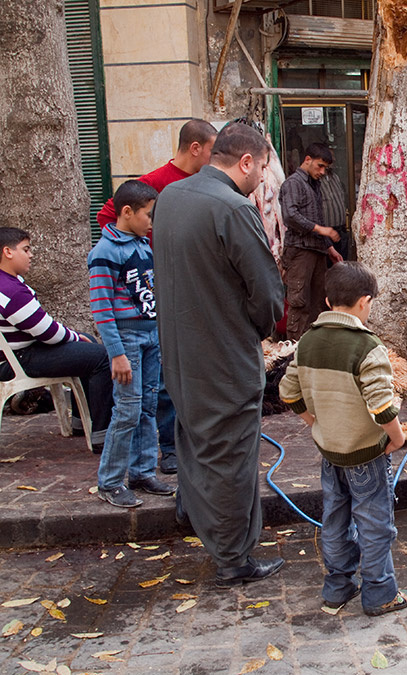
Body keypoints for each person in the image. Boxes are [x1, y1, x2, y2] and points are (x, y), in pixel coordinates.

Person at [153, 123, 285, 588]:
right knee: (231, 457)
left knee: (194, 441)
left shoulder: (170, 197)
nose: (263, 178)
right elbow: (267, 295)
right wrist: (259, 329)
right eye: (264, 167)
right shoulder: (232, 207)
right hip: (223, 357)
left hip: (180, 352)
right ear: (245, 162)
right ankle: (233, 558)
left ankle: (195, 515)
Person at [279, 261, 407, 617]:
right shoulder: (367, 346)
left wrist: (314, 422)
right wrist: (398, 438)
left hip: (330, 452)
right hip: (366, 455)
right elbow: (382, 406)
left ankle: (337, 588)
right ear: (364, 303)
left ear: (326, 300)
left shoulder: (307, 342)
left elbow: (288, 392)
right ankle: (381, 593)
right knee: (375, 524)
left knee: (335, 520)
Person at [97, 118, 218, 476]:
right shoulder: (153, 184)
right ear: (195, 148)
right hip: (145, 306)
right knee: (144, 395)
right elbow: (109, 219)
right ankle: (142, 461)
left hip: (180, 295)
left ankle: (159, 457)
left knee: (166, 382)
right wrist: (131, 263)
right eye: (211, 151)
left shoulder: (205, 184)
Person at [89, 181, 174, 508]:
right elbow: (101, 309)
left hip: (150, 336)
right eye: (148, 215)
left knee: (147, 406)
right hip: (127, 340)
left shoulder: (142, 245)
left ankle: (141, 472)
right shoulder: (105, 253)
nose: (152, 222)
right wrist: (117, 354)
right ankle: (110, 481)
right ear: (127, 212)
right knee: (127, 410)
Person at [0, 227, 113, 450]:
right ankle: (102, 434)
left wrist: (78, 338)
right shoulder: (11, 290)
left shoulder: (8, 284)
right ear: (8, 252)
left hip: (13, 355)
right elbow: (48, 333)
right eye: (26, 249)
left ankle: (81, 422)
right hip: (18, 360)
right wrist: (75, 337)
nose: (31, 255)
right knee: (100, 356)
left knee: (86, 341)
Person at [280, 142, 343, 340]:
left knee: (318, 303)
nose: (323, 172)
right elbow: (290, 215)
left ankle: (314, 348)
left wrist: (329, 247)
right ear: (307, 160)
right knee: (299, 302)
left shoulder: (314, 185)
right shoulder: (293, 183)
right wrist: (320, 230)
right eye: (320, 166)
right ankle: (293, 352)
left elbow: (318, 218)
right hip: (299, 251)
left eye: (326, 168)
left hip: (317, 250)